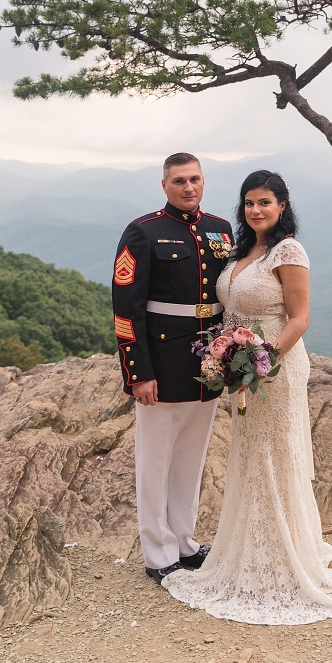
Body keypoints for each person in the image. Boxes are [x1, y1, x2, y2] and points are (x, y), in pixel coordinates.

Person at [163, 170, 332, 624]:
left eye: (265, 203)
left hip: (276, 363)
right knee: (251, 455)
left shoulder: (289, 251)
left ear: (283, 206)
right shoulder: (242, 249)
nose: (256, 210)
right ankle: (251, 548)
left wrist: (262, 359)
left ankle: (283, 555)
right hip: (242, 365)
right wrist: (227, 356)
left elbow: (300, 317)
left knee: (274, 455)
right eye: (249, 202)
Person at [112, 151, 233, 586]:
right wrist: (138, 373)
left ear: (204, 181)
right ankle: (156, 550)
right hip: (161, 365)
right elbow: (127, 310)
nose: (188, 187)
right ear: (164, 185)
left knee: (190, 460)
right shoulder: (143, 232)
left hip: (208, 366)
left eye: (195, 179)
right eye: (179, 180)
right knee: (156, 461)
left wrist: (233, 358)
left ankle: (183, 539)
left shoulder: (220, 229)